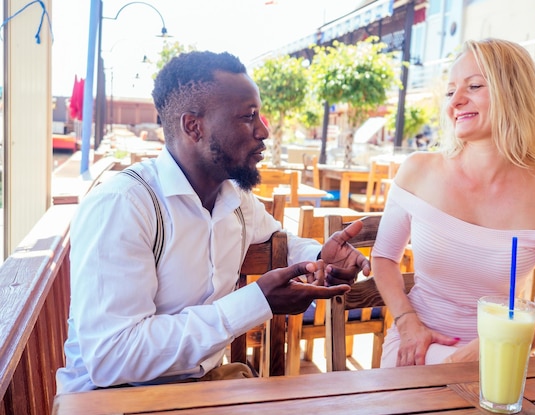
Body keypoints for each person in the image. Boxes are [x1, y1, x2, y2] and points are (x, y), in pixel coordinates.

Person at [56, 50, 371, 393]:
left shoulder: (234, 200)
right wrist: (257, 302)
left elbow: (279, 239)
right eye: (249, 116)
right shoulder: (123, 206)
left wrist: (319, 258)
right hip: (112, 400)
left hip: (198, 390)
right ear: (194, 126)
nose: (264, 131)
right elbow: (112, 357)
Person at [371, 38, 535, 367]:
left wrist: (490, 347)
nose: (455, 101)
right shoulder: (417, 170)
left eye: (474, 86)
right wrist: (407, 322)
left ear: (512, 93)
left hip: (500, 356)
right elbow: (384, 258)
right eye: (450, 91)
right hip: (416, 347)